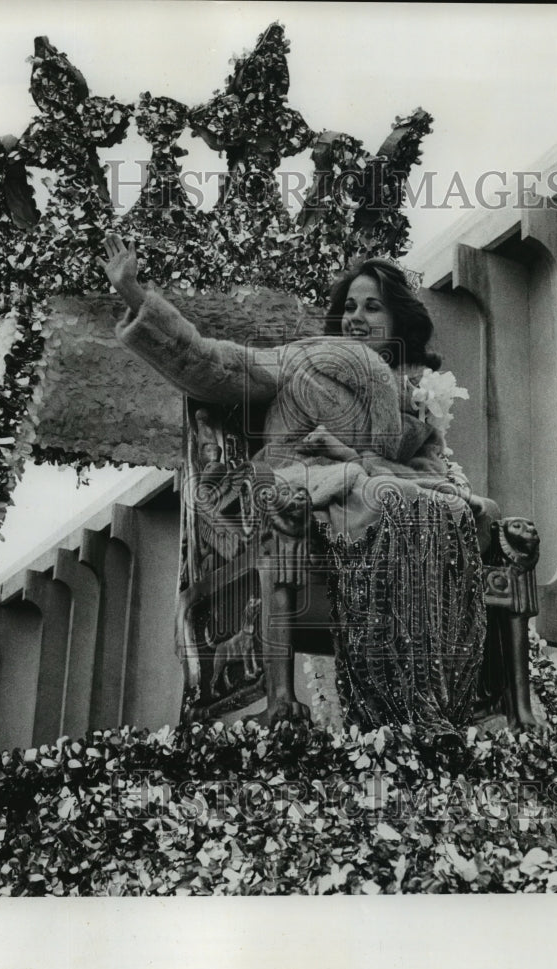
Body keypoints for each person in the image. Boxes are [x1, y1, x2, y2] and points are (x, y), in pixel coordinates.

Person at [98, 235, 494, 746]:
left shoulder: (412, 396)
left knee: (463, 510)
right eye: (349, 306)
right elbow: (218, 363)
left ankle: (435, 699)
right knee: (391, 502)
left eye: (373, 307)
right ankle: (393, 705)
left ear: (398, 320)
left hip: (376, 494)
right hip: (304, 492)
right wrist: (135, 295)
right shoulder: (303, 359)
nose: (357, 317)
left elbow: (424, 466)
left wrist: (380, 468)